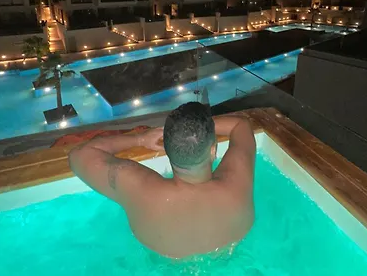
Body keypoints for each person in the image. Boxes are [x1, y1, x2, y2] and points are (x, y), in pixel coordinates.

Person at [69, 102, 256, 258]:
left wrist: (140, 139)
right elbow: (240, 125)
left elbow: (79, 155)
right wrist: (197, 130)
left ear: (167, 148)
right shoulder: (238, 179)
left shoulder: (137, 187)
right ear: (213, 150)